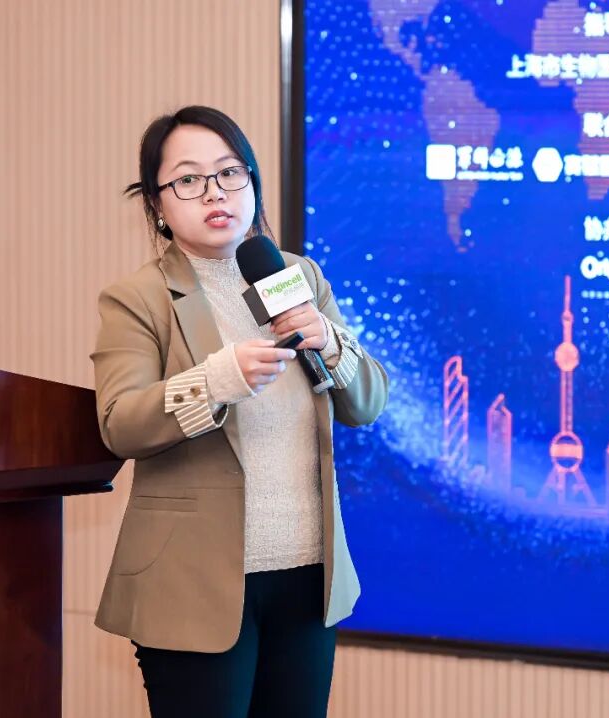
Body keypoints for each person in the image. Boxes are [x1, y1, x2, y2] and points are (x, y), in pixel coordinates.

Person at [90, 105, 389, 718]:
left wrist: (332, 344)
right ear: (157, 203)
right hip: (192, 584)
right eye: (188, 180)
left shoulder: (295, 275)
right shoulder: (139, 297)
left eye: (230, 173)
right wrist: (217, 380)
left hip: (307, 575)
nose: (214, 192)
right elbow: (119, 422)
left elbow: (366, 403)